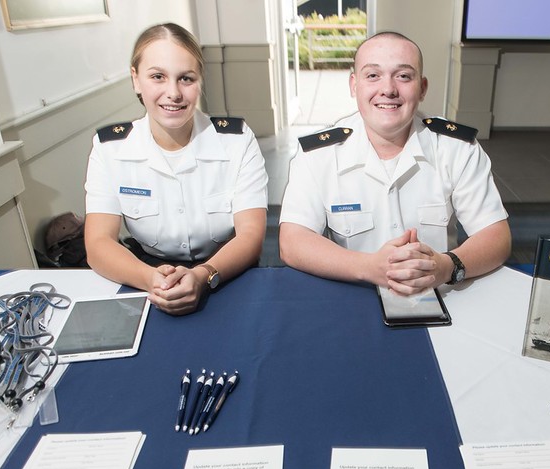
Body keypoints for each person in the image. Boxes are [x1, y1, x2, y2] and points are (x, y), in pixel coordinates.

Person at [278, 32, 511, 296]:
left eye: (403, 76)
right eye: (373, 75)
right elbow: (293, 241)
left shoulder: (455, 147)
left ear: (422, 88)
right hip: (353, 294)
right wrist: (370, 267)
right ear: (354, 85)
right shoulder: (318, 154)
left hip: (437, 295)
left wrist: (447, 266)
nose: (388, 89)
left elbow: (496, 235)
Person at [85, 23, 268, 314]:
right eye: (158, 76)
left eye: (186, 78)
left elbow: (251, 235)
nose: (173, 92)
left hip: (225, 271)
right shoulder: (110, 148)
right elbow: (97, 243)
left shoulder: (236, 140)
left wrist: (202, 276)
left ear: (200, 81)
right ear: (136, 80)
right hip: (145, 277)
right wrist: (152, 281)